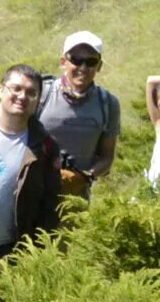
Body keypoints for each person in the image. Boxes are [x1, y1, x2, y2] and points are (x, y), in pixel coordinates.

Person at [0, 65, 65, 252]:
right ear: (1, 90)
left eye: (31, 93)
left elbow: (51, 204)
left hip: (10, 249)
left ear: (37, 100)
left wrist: (40, 250)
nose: (22, 97)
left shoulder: (45, 147)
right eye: (16, 88)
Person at [39, 31, 122, 197]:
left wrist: (85, 177)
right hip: (34, 191)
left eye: (91, 61)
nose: (83, 68)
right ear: (64, 61)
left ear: (99, 66)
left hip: (77, 197)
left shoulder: (108, 104)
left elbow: (107, 157)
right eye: (76, 60)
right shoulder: (41, 93)